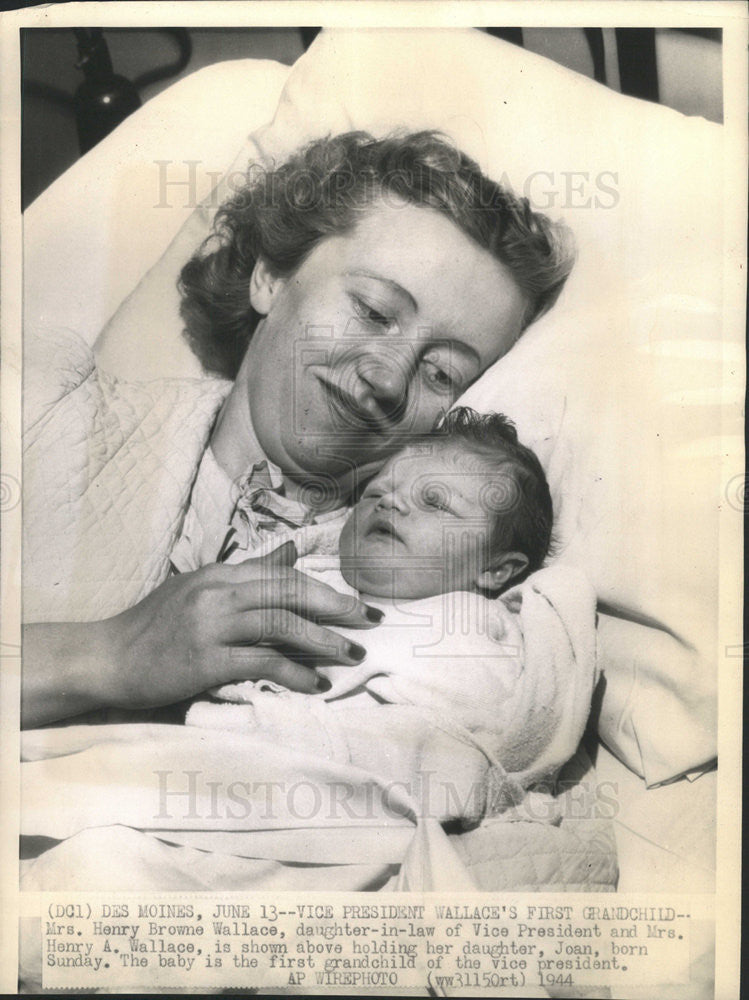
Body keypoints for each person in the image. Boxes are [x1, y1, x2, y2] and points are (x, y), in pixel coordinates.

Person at [22, 131, 574, 729]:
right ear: (271, 277)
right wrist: (105, 656)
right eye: (374, 311)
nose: (389, 377)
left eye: (441, 371)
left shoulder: (436, 590)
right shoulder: (40, 405)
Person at [188, 407, 567, 783]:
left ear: (494, 570)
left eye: (434, 501)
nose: (390, 502)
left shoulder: (476, 627)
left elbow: (484, 728)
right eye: (375, 493)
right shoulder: (303, 576)